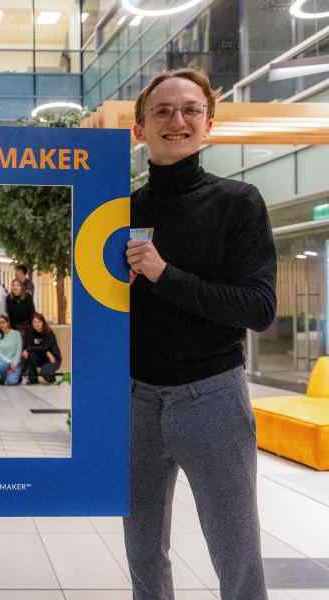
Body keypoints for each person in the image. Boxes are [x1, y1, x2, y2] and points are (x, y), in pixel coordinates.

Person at [125, 68, 276, 600]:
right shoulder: (120, 211)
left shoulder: (239, 202)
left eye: (190, 109)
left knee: (235, 554)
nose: (177, 120)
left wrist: (166, 275)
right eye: (162, 111)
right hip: (136, 400)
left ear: (208, 124)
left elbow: (258, 309)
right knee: (142, 551)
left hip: (212, 396)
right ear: (139, 128)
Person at [21, 313, 61, 384]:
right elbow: (26, 346)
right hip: (40, 357)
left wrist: (29, 349)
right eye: (34, 322)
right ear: (32, 323)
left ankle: (51, 378)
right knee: (31, 355)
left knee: (45, 372)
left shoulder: (49, 333)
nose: (37, 324)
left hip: (52, 359)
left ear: (43, 322)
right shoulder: (29, 333)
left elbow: (43, 347)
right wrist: (25, 351)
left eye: (39, 321)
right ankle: (33, 380)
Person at [0, 315, 23, 385]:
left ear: (7, 323)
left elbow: (19, 351)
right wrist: (9, 362)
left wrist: (14, 363)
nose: (1, 325)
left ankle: (12, 377)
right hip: (4, 363)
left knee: (11, 382)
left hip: (15, 363)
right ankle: (4, 377)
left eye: (3, 322)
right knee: (0, 365)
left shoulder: (16, 334)